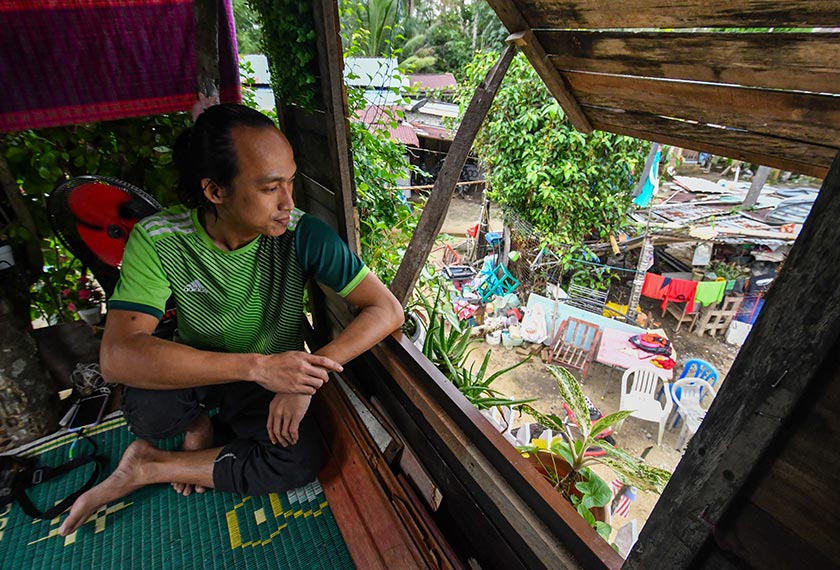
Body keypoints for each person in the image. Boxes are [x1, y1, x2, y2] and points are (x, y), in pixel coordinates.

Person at [58, 103, 404, 536]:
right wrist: (257, 365)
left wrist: (306, 378)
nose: (287, 202)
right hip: (203, 367)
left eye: (290, 182)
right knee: (148, 412)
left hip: (267, 381)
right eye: (269, 187)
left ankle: (151, 465)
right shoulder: (161, 238)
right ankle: (198, 422)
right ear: (215, 191)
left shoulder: (302, 233)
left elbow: (387, 310)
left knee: (297, 459)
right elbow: (118, 356)